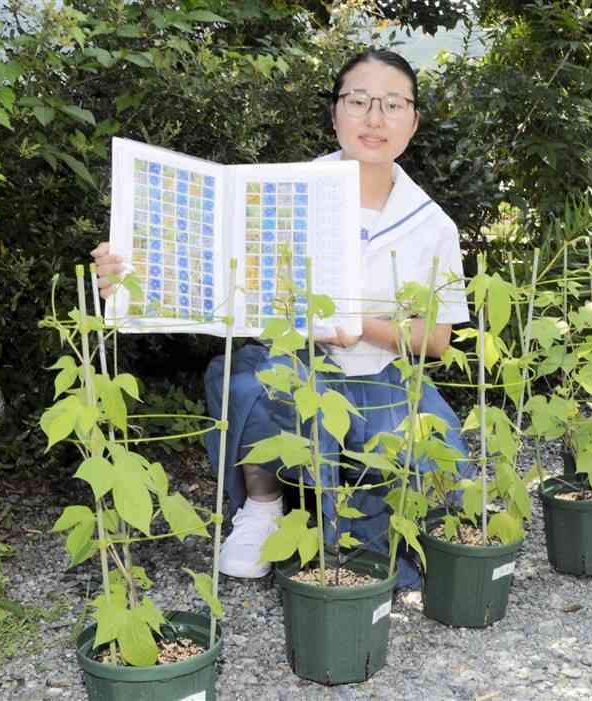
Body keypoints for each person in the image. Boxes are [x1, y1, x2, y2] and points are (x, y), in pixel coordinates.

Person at [92, 49, 472, 589]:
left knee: (436, 502)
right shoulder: (283, 192)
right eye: (358, 101)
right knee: (246, 383)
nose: (374, 118)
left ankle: (345, 519)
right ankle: (264, 506)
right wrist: (129, 268)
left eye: (392, 104)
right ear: (335, 113)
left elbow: (435, 339)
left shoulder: (431, 224)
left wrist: (359, 326)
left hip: (383, 378)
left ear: (413, 120)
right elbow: (208, 267)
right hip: (293, 365)